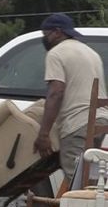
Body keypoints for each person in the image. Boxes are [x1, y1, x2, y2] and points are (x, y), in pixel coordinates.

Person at [33, 13, 108, 183]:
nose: (45, 39)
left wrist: (43, 135)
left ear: (57, 32)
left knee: (78, 183)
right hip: (101, 121)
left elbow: (56, 93)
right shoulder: (91, 53)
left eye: (46, 34)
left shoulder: (56, 53)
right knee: (91, 182)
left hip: (77, 124)